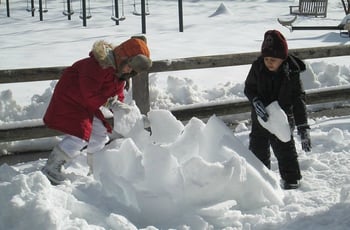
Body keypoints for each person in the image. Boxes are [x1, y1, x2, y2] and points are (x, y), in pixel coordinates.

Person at [42, 36, 152, 184]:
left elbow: (116, 94)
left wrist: (119, 106)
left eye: (132, 69)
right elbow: (89, 93)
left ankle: (97, 168)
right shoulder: (96, 66)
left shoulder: (119, 73)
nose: (129, 70)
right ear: (123, 57)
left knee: (100, 135)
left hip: (86, 105)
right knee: (80, 135)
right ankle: (52, 166)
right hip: (70, 100)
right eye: (130, 66)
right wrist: (110, 103)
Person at [244, 30, 311, 190]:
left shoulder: (291, 72)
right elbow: (249, 88)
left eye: (273, 60)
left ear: (282, 58)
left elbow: (298, 99)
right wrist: (255, 101)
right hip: (260, 117)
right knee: (257, 148)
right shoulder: (257, 67)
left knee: (285, 147)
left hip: (282, 117)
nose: (269, 62)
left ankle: (291, 179)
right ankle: (260, 179)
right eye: (266, 58)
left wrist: (303, 126)